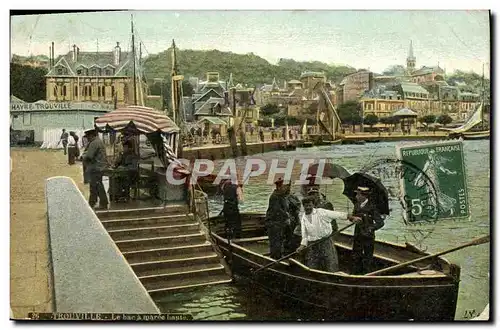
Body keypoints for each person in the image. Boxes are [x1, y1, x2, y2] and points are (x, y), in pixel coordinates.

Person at [296, 196, 356, 272]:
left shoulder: (321, 212)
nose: (308, 207)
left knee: (330, 264)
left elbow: (337, 214)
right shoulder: (303, 217)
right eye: (306, 206)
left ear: (313, 205)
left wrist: (351, 217)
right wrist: (302, 246)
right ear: (303, 206)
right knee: (312, 267)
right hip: (313, 245)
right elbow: (305, 236)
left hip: (325, 242)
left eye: (310, 205)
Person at [349, 186, 385, 275]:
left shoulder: (372, 207)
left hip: (368, 236)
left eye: (358, 194)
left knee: (367, 257)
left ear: (363, 196)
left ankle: (366, 274)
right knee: (356, 255)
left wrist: (371, 228)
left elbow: (380, 223)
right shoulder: (357, 205)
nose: (356, 196)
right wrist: (352, 219)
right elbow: (353, 217)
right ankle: (355, 274)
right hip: (358, 235)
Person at [82, 129, 109, 210]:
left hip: (96, 167)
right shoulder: (98, 141)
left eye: (88, 137)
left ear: (91, 135)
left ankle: (103, 203)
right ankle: (92, 202)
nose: (87, 139)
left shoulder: (94, 143)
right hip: (99, 167)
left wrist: (82, 157)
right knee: (94, 186)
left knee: (97, 185)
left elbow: (89, 156)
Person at [265, 178, 290, 259]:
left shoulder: (282, 196)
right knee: (275, 243)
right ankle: (275, 259)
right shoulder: (274, 196)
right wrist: (286, 216)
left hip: (279, 223)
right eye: (284, 186)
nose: (286, 188)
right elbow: (277, 210)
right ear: (279, 187)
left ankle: (278, 257)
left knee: (279, 242)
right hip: (273, 223)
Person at [285, 184, 302, 254]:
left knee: (294, 234)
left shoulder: (293, 196)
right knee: (287, 234)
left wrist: (297, 212)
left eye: (289, 186)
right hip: (286, 218)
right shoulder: (282, 197)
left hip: (294, 217)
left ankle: (292, 249)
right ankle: (287, 249)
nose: (288, 188)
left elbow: (298, 205)